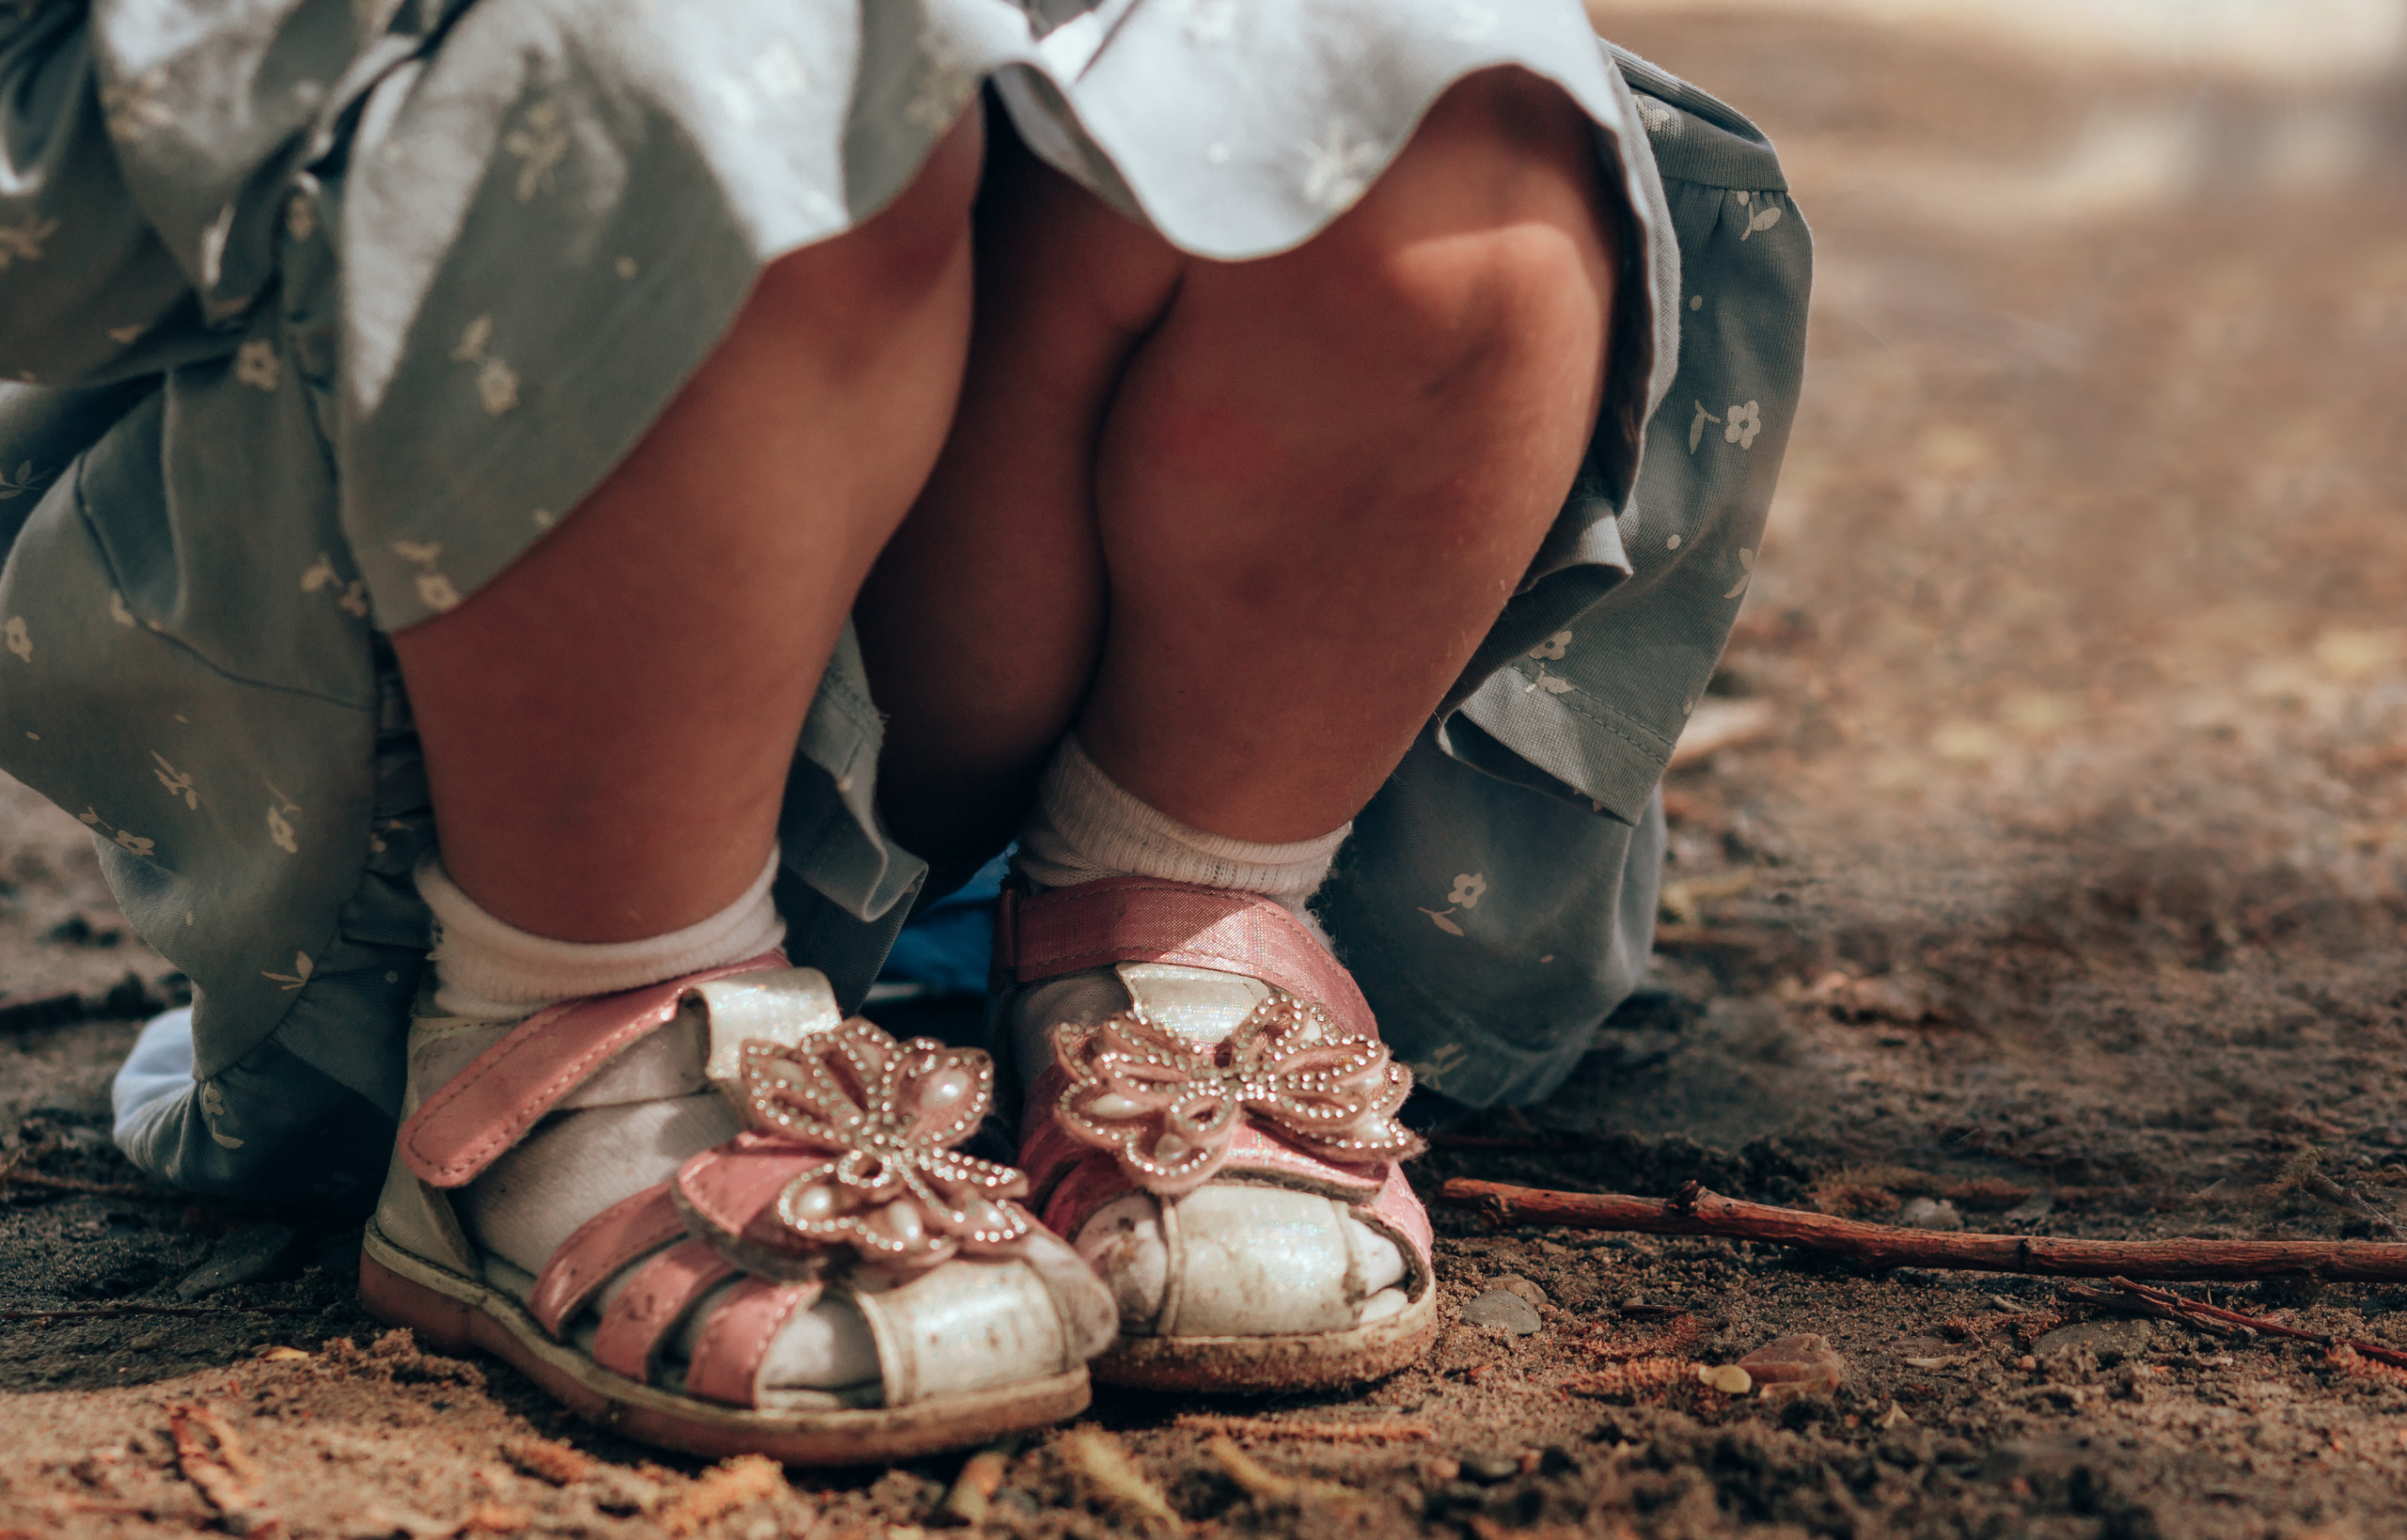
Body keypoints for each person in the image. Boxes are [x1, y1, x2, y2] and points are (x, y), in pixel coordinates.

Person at [0, 0, 1807, 1462]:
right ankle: (576, 1001)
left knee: (1426, 89)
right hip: (524, 671)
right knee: (706, 53)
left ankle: (1173, 891)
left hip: (1054, 595)